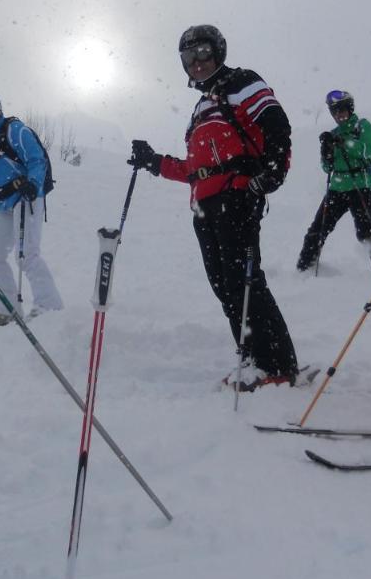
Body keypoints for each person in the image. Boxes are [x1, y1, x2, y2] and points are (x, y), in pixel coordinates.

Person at [128, 24, 299, 392]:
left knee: (245, 281)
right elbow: (195, 170)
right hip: (205, 204)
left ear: (219, 51)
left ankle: (277, 365)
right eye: (188, 57)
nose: (197, 63)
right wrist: (153, 161)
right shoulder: (201, 108)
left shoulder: (241, 82)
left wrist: (271, 171)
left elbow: (276, 124)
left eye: (203, 52)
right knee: (224, 285)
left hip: (236, 194)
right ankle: (254, 358)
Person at [0, 86, 63, 326]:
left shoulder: (15, 131)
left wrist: (33, 184)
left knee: (26, 255)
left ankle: (49, 307)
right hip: (5, 204)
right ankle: (7, 309)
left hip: (27, 197)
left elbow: (36, 160)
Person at [296, 90, 371, 274]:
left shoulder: (363, 126)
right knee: (317, 230)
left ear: (349, 109)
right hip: (337, 188)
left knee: (366, 233)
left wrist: (343, 141)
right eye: (335, 111)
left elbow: (365, 151)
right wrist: (327, 151)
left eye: (342, 110)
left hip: (361, 186)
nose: (339, 115)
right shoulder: (334, 133)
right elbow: (326, 168)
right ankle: (304, 270)